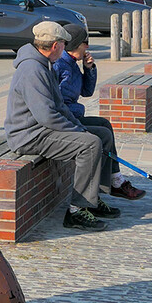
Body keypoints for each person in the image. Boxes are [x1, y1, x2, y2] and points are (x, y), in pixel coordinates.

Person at [4, 21, 119, 232]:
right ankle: (77, 212)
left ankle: (93, 199)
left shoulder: (43, 64)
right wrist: (77, 131)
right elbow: (47, 115)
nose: (66, 49)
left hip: (40, 129)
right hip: (28, 134)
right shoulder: (33, 69)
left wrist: (77, 126)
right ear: (56, 46)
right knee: (90, 144)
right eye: (64, 45)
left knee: (98, 135)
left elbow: (60, 107)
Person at [52, 24, 146, 199]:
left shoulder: (72, 63)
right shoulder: (59, 65)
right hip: (64, 119)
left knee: (104, 124)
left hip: (73, 116)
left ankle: (115, 180)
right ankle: (104, 188)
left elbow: (87, 92)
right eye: (85, 42)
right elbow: (56, 103)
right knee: (102, 135)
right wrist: (76, 111)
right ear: (74, 45)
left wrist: (89, 70)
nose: (87, 46)